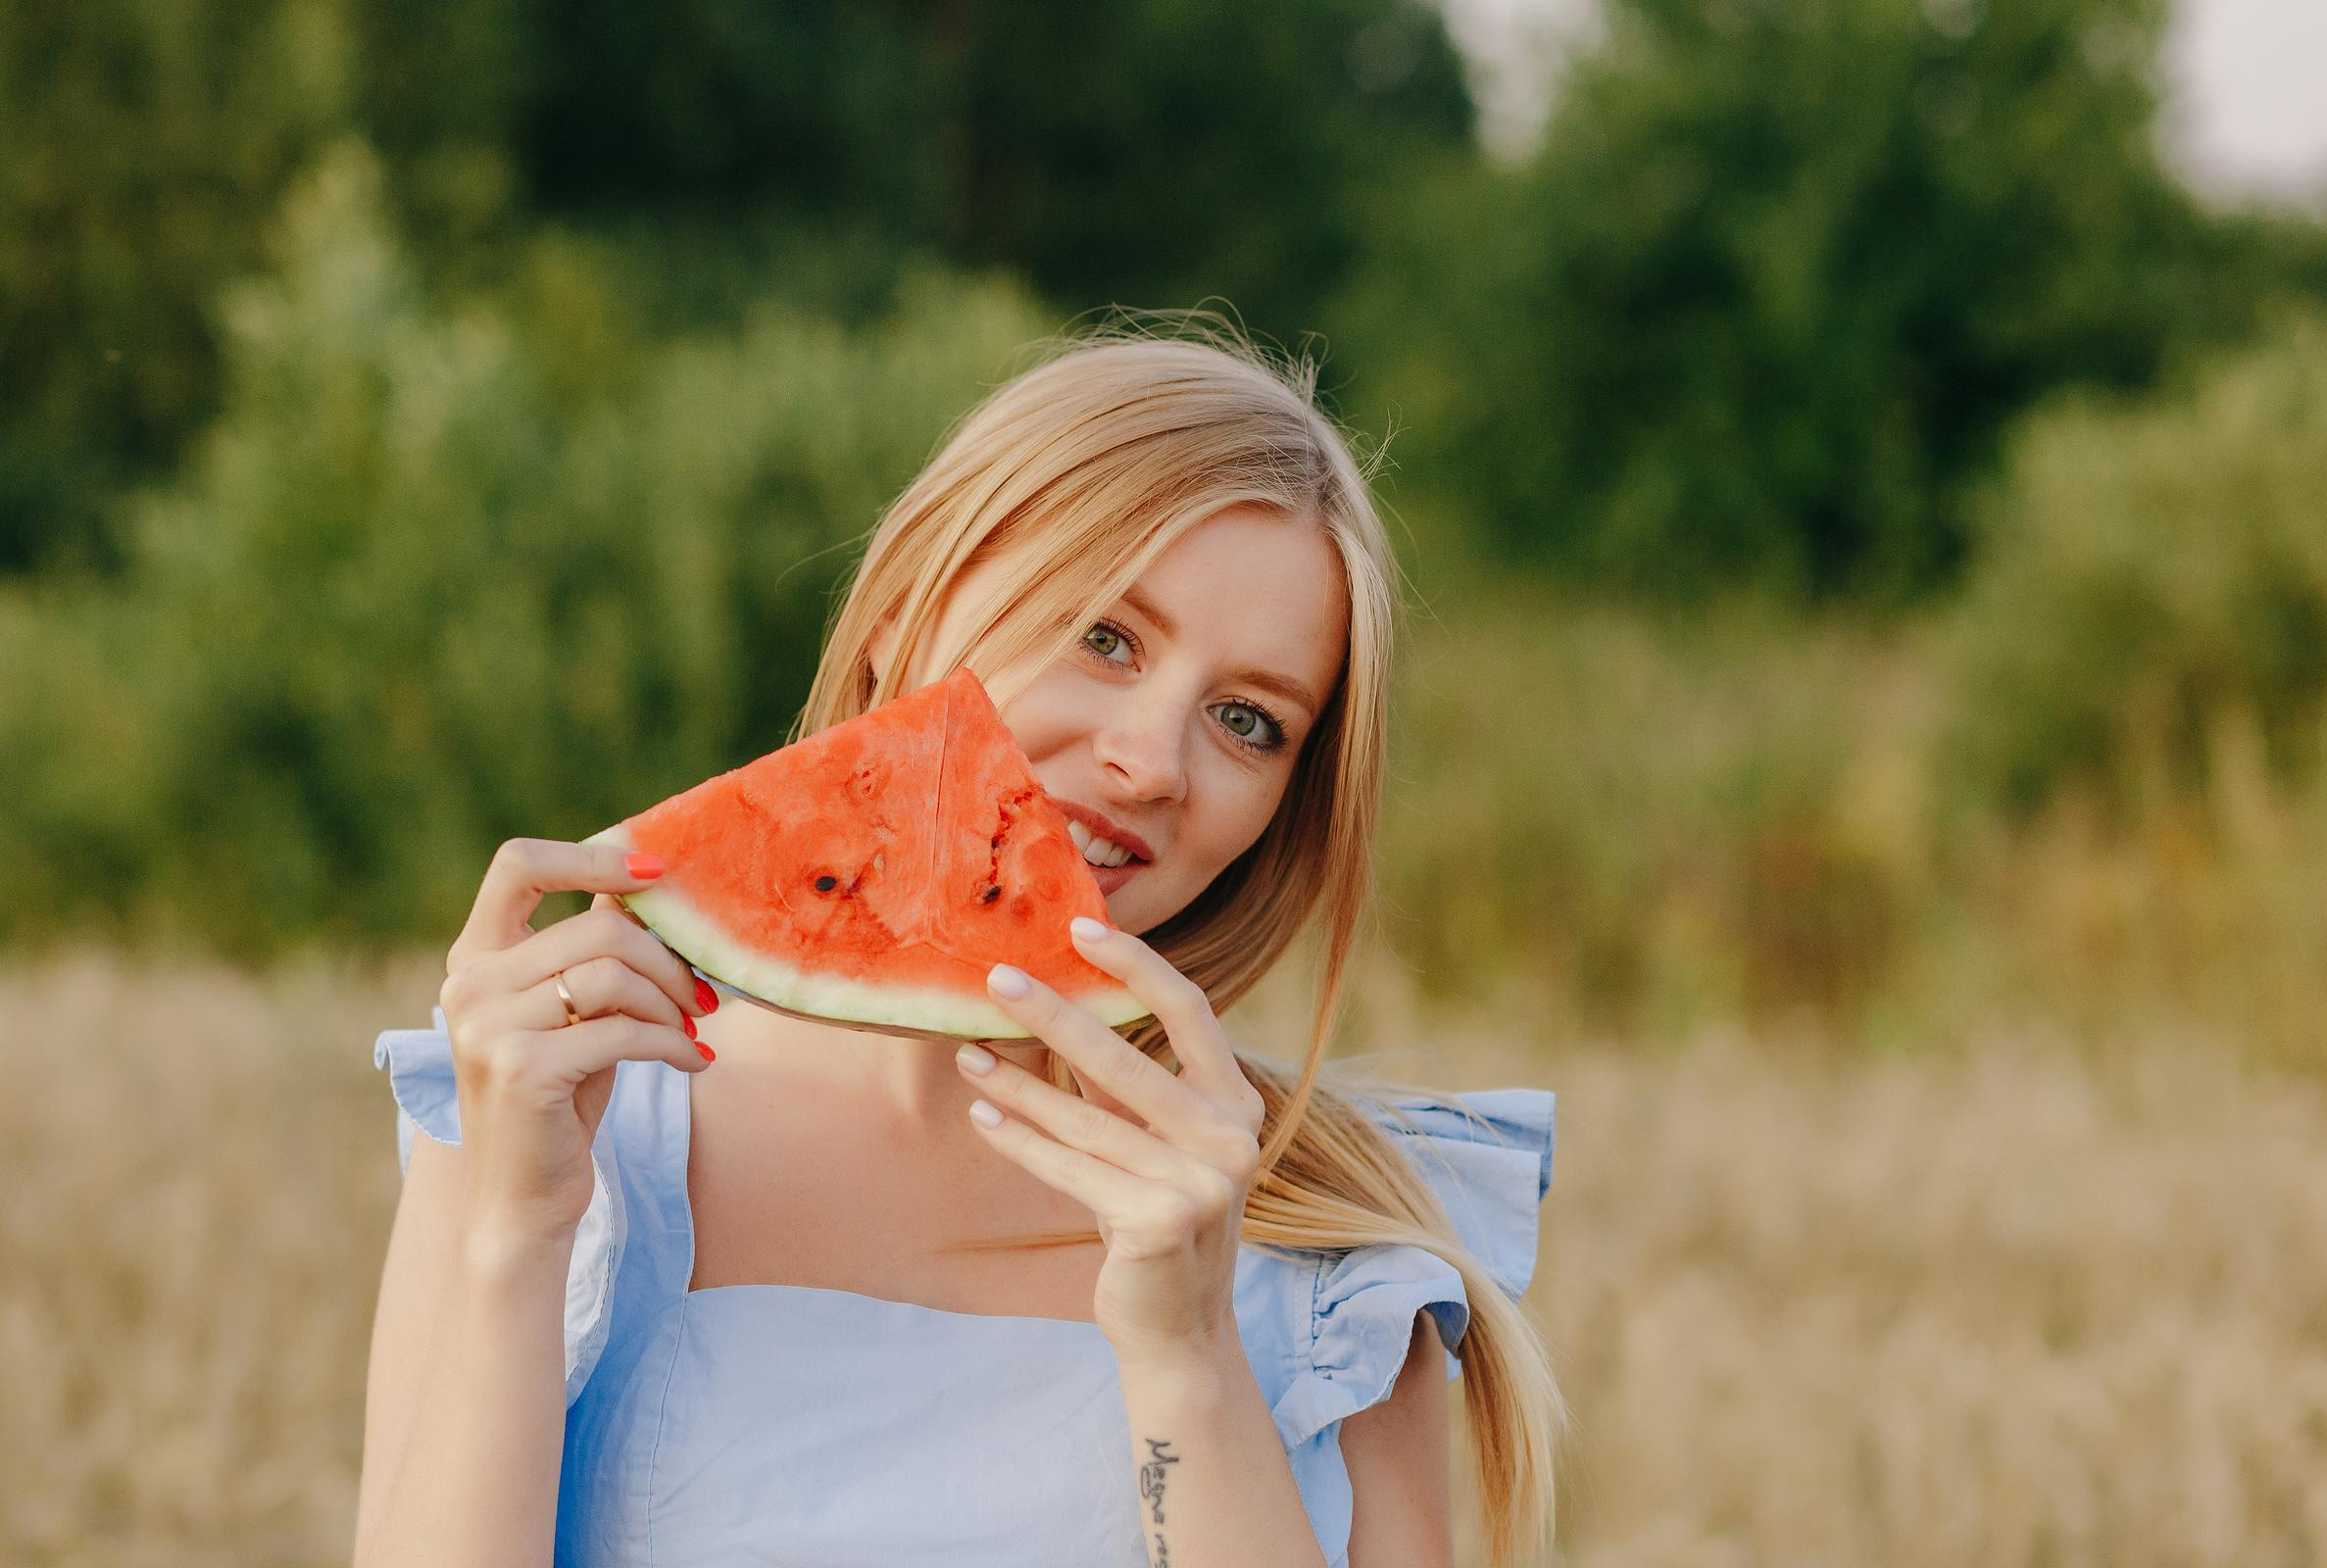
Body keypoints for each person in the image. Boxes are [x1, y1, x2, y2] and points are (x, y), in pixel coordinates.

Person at [354, 314, 1564, 1568]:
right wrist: (516, 1231)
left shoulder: (1336, 1244)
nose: (1151, 761)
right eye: (1106, 636)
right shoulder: (561, 1115)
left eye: (1250, 720)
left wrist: (1188, 1355)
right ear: (901, 615)